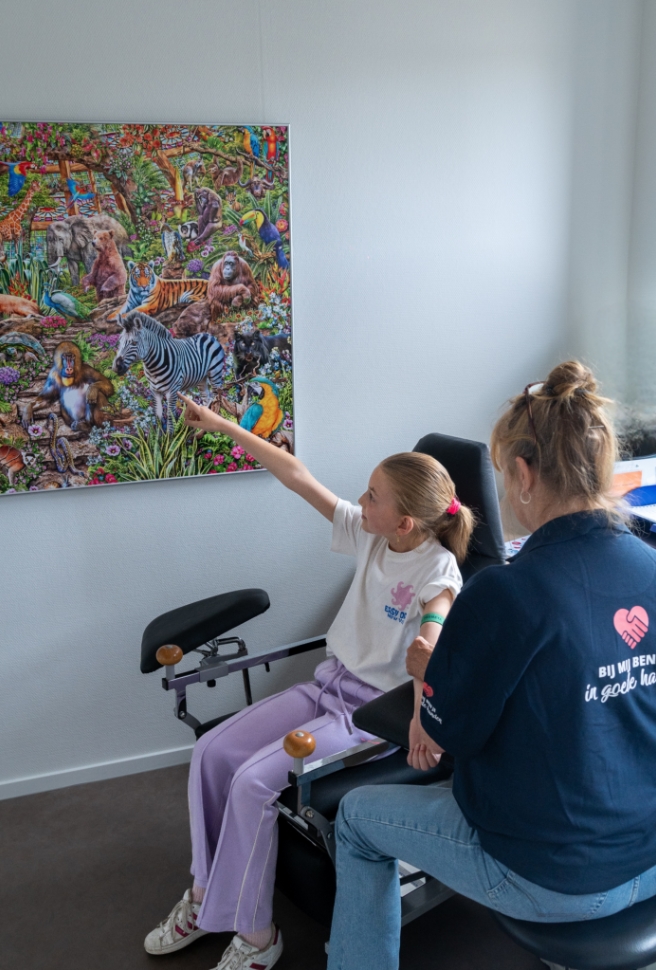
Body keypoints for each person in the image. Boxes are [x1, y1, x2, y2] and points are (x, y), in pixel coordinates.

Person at [326, 360, 656, 970]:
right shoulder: (650, 565)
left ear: (525, 474)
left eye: (507, 479)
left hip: (556, 878)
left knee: (355, 819)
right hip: (649, 856)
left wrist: (429, 671)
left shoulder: (507, 593)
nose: (507, 495)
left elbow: (451, 735)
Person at [144, 394, 474, 970]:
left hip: (373, 715)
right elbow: (296, 475)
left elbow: (435, 634)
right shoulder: (375, 534)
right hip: (327, 687)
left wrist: (424, 704)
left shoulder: (437, 569)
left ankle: (256, 934)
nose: (361, 499)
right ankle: (203, 897)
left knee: (251, 784)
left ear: (405, 520)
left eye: (373, 494)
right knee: (211, 752)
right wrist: (220, 424)